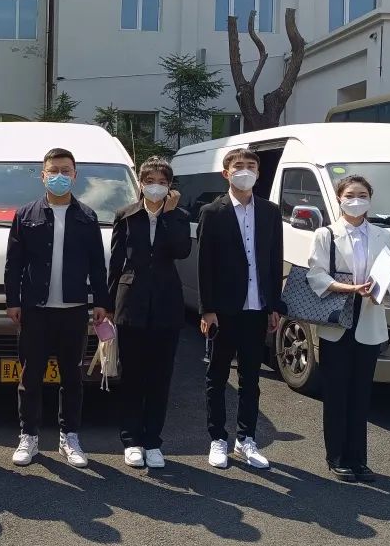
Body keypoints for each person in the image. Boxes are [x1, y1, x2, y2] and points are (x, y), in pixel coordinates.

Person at [4, 147, 110, 468]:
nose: (59, 176)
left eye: (66, 171)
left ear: (75, 176)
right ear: (43, 175)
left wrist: (101, 302)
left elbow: (97, 265)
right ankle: (29, 436)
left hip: (74, 310)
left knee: (72, 377)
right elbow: (13, 264)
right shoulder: (26, 215)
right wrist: (12, 302)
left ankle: (70, 436)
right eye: (53, 171)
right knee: (30, 376)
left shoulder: (87, 217)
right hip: (35, 310)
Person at [197, 148, 283, 471]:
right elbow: (204, 264)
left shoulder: (270, 212)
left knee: (251, 378)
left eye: (251, 166)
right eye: (238, 166)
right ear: (226, 173)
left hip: (257, 308)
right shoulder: (212, 212)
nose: (245, 171)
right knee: (217, 376)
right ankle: (218, 438)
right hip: (223, 309)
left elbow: (274, 260)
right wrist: (207, 309)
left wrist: (274, 305)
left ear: (258, 173)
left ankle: (246, 439)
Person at [307, 175, 390, 483]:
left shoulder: (384, 236)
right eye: (350, 195)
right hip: (337, 320)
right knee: (336, 392)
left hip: (369, 318)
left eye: (362, 195)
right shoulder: (326, 234)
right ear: (339, 199)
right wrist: (348, 288)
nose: (356, 200)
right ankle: (337, 457)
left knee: (361, 394)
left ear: (370, 199)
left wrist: (380, 291)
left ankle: (359, 459)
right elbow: (316, 274)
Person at [108, 156, 192, 470]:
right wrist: (107, 305)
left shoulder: (180, 216)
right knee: (132, 376)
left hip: (167, 304)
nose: (156, 187)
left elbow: (181, 250)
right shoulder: (126, 215)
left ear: (170, 186)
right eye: (150, 181)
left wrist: (168, 215)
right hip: (131, 302)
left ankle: (153, 440)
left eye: (162, 182)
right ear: (140, 184)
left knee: (160, 376)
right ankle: (131, 440)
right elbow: (116, 263)